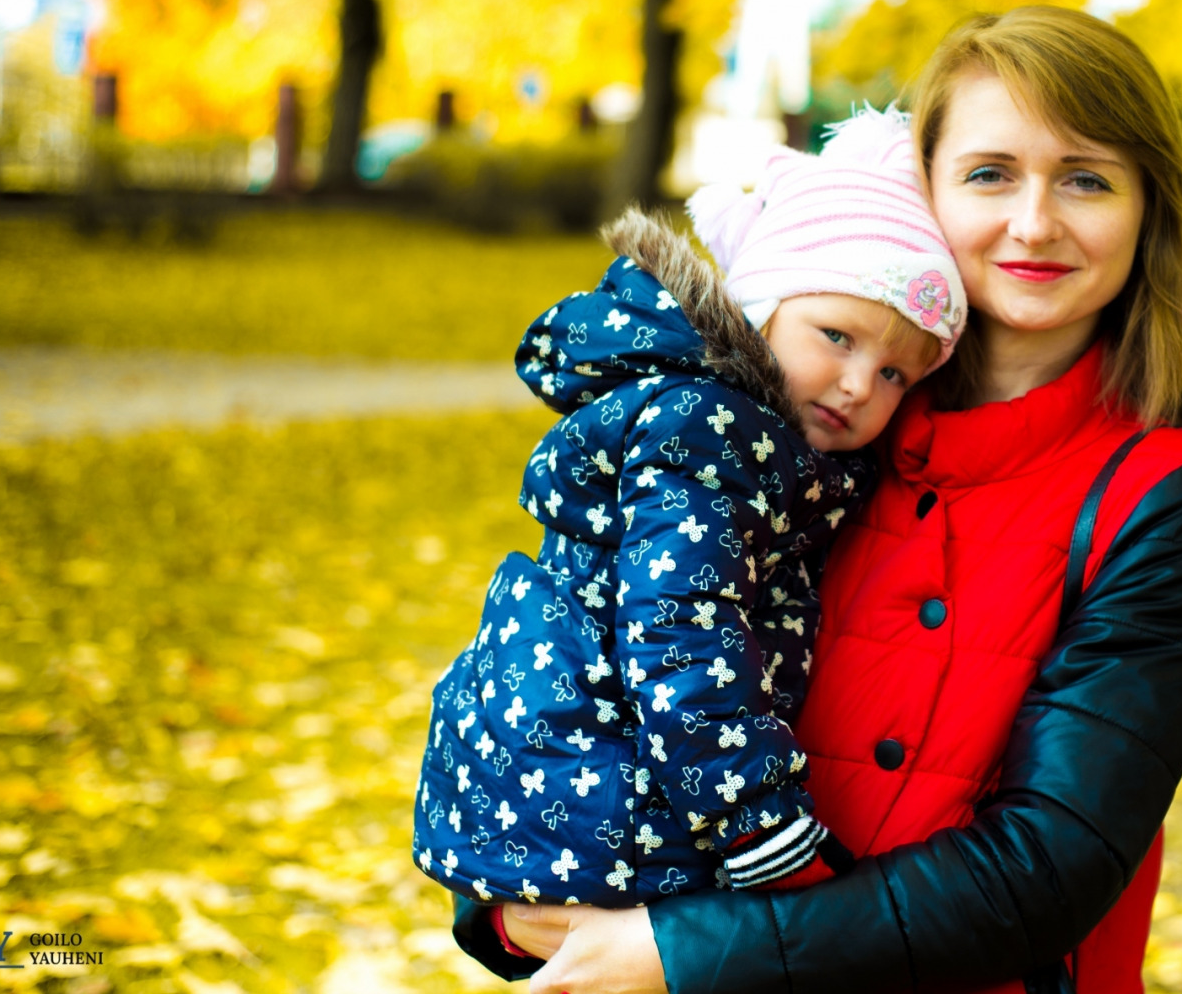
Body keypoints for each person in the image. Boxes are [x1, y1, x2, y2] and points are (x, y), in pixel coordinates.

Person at [475, 5, 1182, 994]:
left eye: (1087, 180)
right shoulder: (795, 427)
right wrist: (508, 897)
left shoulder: (1166, 497)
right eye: (989, 174)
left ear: (1149, 214)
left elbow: (1048, 868)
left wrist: (678, 953)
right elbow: (579, 652)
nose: (1034, 222)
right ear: (921, 192)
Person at [412, 110, 967, 917]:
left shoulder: (769, 444)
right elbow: (679, 627)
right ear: (761, 306)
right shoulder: (708, 432)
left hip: (609, 781)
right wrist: (758, 825)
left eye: (895, 376)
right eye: (836, 336)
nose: (857, 384)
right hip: (604, 788)